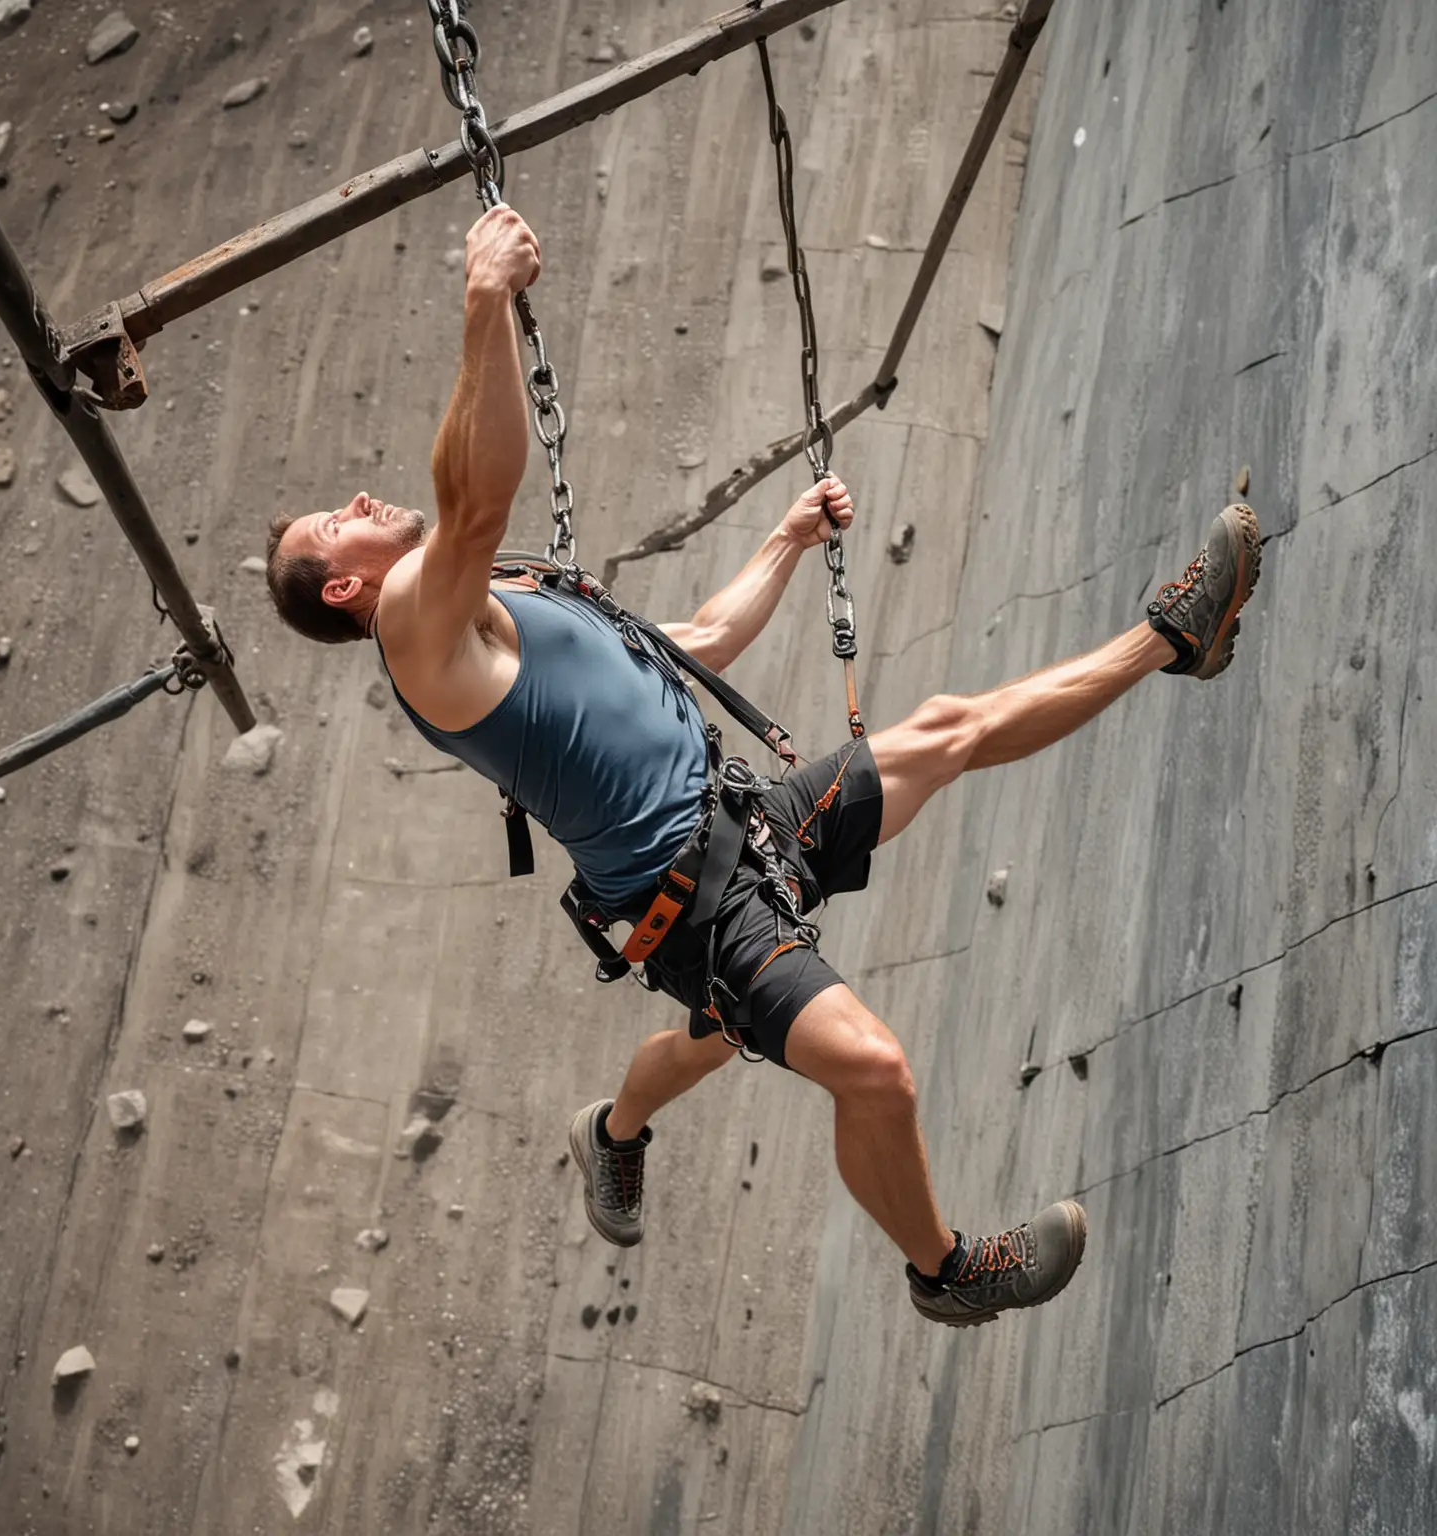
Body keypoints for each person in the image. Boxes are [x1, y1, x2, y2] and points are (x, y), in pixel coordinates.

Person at [264, 205, 1261, 1328]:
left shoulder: (508, 601)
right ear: (343, 590)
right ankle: (946, 1273)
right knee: (871, 1069)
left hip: (744, 820)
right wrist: (485, 298)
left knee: (946, 729)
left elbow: (686, 644)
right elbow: (477, 494)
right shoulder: (419, 632)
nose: (357, 502)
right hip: (691, 913)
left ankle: (1176, 641)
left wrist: (783, 542)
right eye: (332, 525)